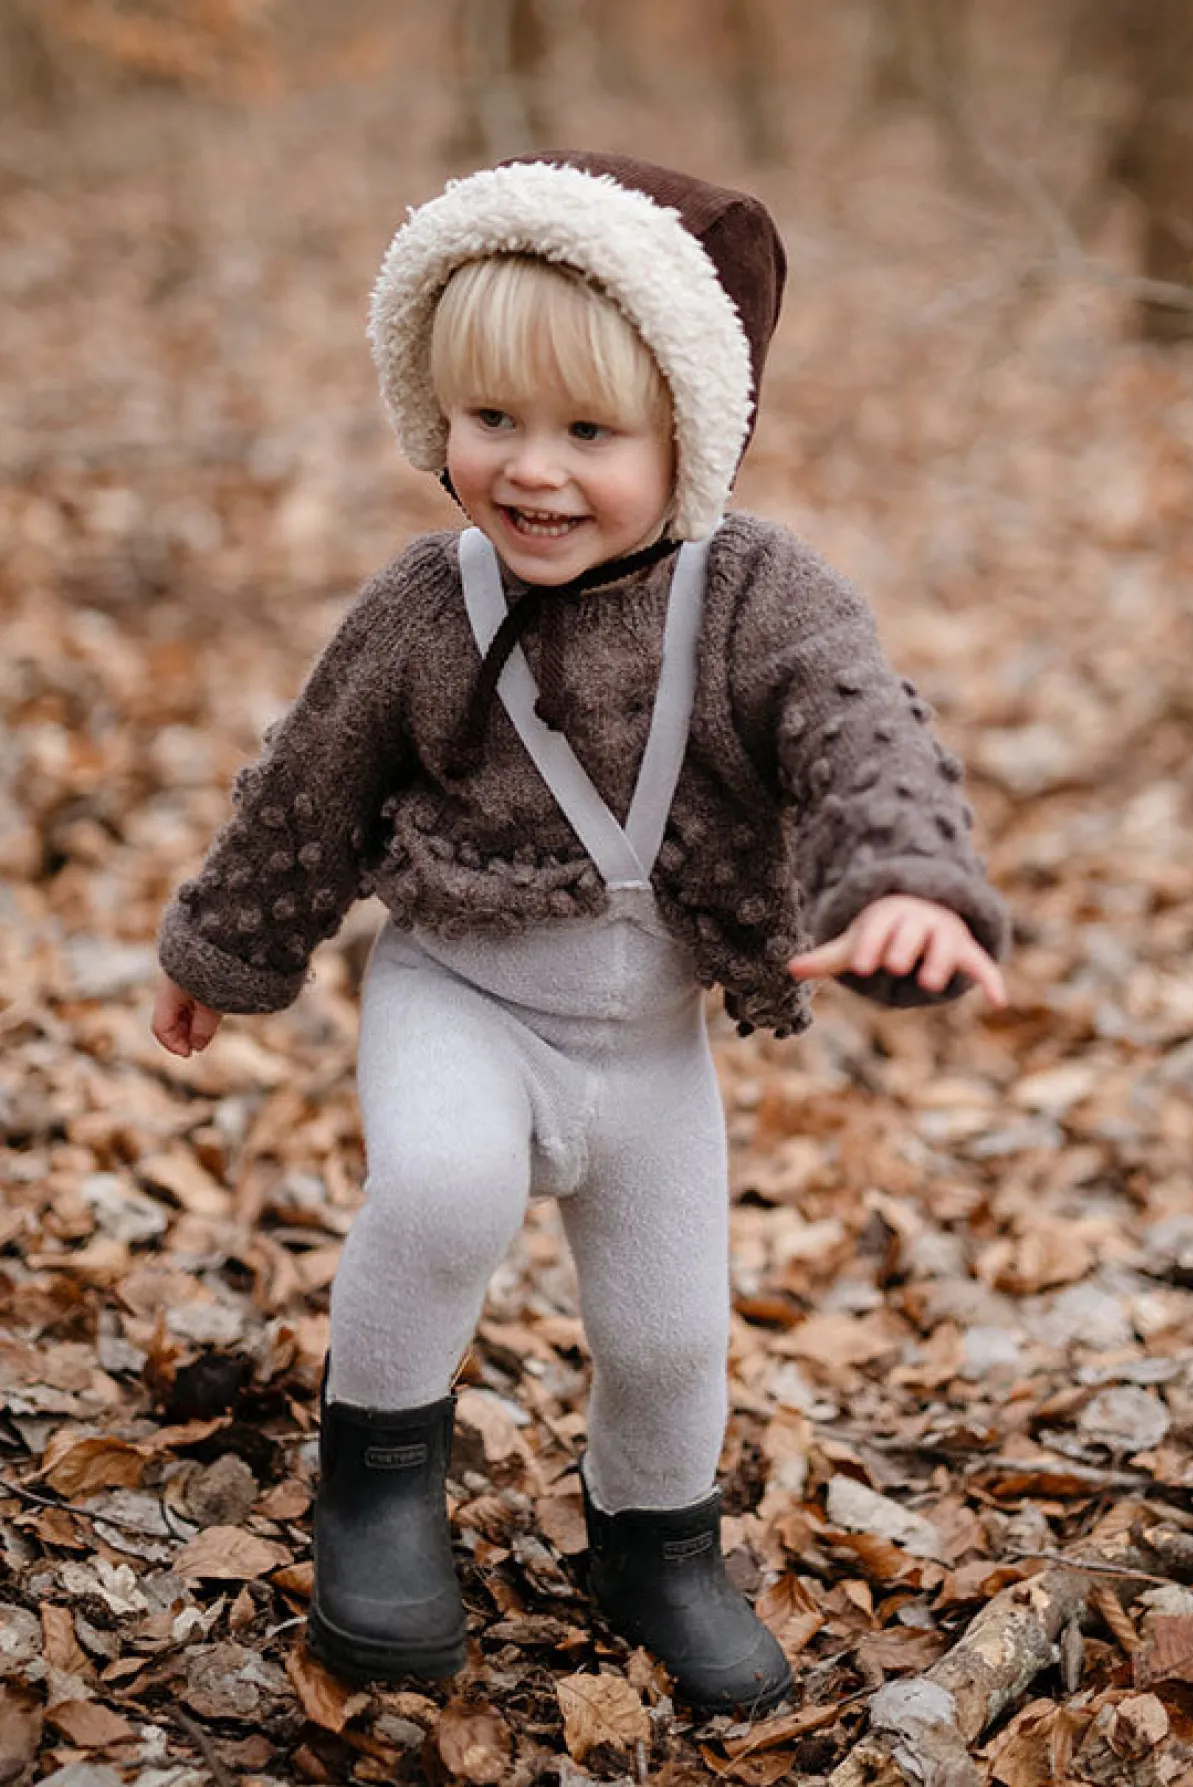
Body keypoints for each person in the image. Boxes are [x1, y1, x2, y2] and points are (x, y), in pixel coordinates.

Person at [152, 152, 1008, 1714]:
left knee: (674, 1333)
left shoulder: (760, 601)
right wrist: (220, 947)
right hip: (458, 991)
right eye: (493, 422)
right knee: (442, 1182)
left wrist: (906, 885)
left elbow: (863, 735)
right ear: (439, 413)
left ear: (697, 432)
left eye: (590, 433)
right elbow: (310, 780)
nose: (531, 472)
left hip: (649, 1044)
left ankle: (656, 1542)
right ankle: (380, 1486)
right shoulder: (429, 604)